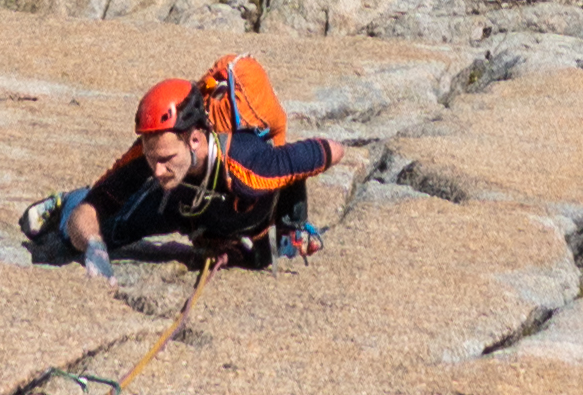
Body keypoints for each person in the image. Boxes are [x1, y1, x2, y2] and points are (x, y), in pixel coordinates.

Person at [25, 60, 365, 280]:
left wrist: (293, 220)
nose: (158, 170)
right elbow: (91, 209)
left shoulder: (250, 164)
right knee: (88, 234)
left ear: (196, 139)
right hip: (178, 208)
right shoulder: (150, 157)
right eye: (151, 158)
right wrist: (93, 246)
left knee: (260, 255)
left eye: (166, 159)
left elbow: (332, 150)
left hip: (230, 210)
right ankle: (64, 200)